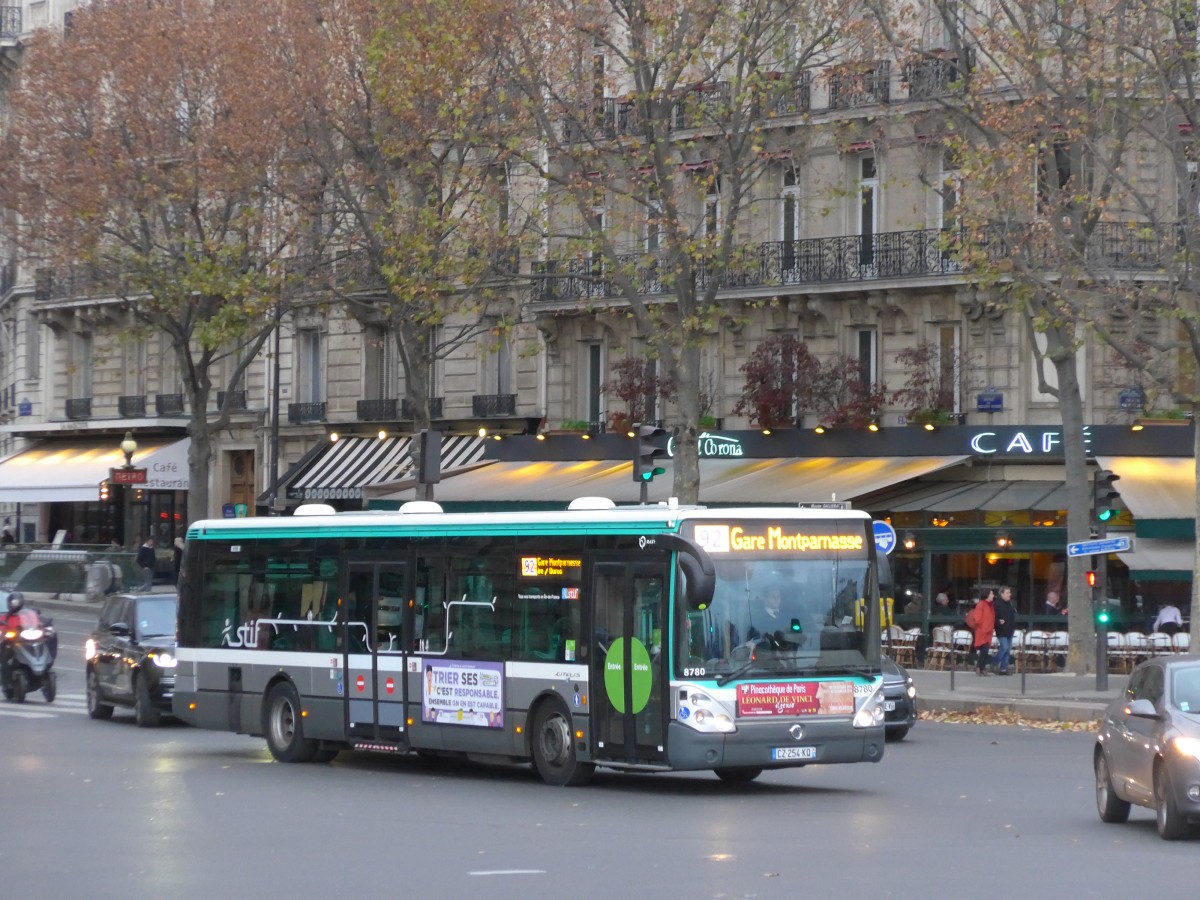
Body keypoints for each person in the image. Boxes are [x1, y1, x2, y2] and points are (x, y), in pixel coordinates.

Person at [965, 588, 996, 676]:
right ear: (987, 595)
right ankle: (979, 667)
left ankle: (981, 668)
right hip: (982, 631)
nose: (993, 596)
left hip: (988, 631)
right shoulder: (981, 604)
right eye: (991, 594)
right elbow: (977, 618)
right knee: (984, 650)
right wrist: (984, 625)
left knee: (985, 650)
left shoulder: (990, 605)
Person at [992, 586, 1017, 675]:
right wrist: (998, 622)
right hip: (1001, 630)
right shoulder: (997, 604)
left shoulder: (1009, 604)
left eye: (1009, 593)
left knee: (1007, 650)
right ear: (1001, 594)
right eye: (1007, 593)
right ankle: (994, 663)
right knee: (1004, 647)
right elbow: (993, 617)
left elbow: (1011, 616)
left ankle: (1003, 669)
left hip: (1009, 629)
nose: (1009, 594)